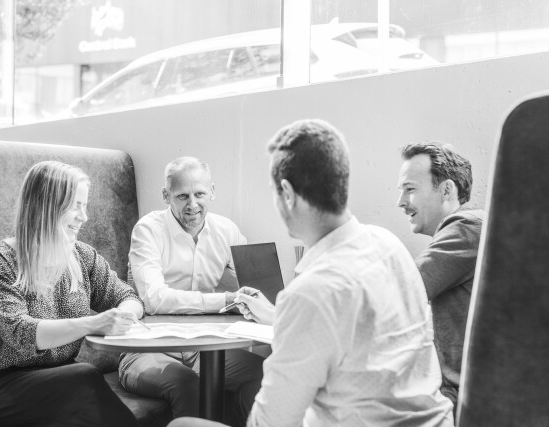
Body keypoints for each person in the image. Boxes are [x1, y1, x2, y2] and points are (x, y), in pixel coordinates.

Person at [169, 119, 454, 427]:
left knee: (182, 426)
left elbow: (269, 424)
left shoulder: (309, 292)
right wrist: (279, 317)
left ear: (287, 193)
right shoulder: (389, 244)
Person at [0, 161, 143, 427]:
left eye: (85, 206)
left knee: (81, 394)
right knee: (84, 376)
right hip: (1, 387)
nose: (84, 217)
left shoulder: (82, 256)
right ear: (47, 206)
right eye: (76, 206)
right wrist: (93, 323)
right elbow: (21, 333)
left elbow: (129, 297)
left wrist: (124, 316)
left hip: (62, 379)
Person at [118, 157, 263, 426]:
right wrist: (225, 300)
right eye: (182, 196)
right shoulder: (148, 230)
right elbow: (154, 300)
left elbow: (257, 289)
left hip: (204, 351)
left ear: (212, 192)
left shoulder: (227, 231)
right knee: (186, 383)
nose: (192, 204)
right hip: (146, 350)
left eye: (200, 194)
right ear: (166, 196)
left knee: (268, 374)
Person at [397, 143, 484, 414]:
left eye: (410, 189)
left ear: (446, 190)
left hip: (465, 403)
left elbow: (399, 293)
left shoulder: (466, 227)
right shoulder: (472, 228)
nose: (401, 202)